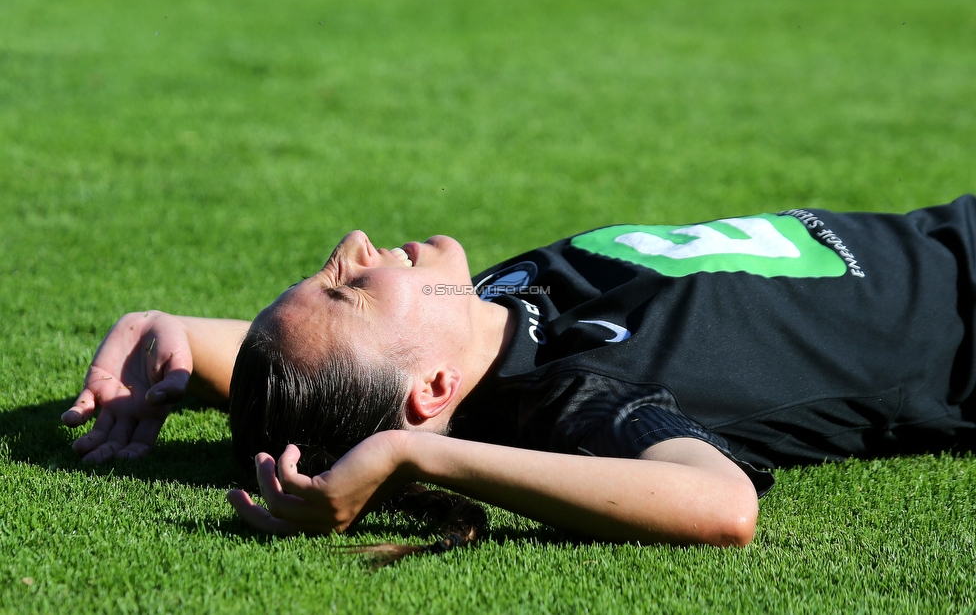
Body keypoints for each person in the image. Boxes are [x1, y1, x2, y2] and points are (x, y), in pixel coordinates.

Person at [62, 195, 976, 555]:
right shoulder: (566, 397)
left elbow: (331, 384)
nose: (351, 246)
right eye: (349, 288)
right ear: (430, 398)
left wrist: (182, 338)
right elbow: (720, 505)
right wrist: (414, 460)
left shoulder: (480, 311)